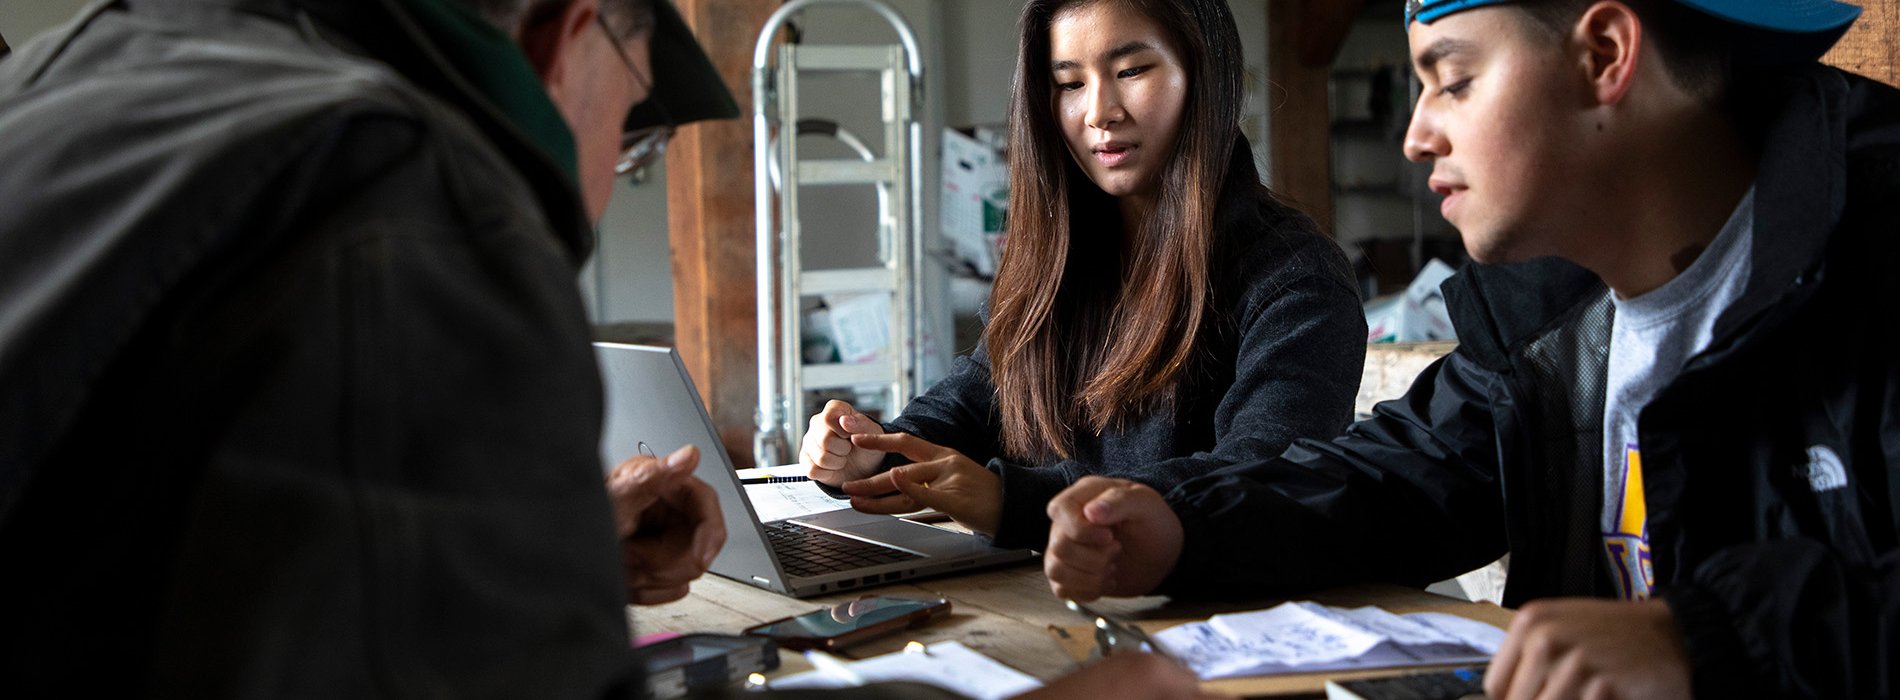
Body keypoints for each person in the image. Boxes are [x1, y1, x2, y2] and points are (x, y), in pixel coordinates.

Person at [0, 0, 1214, 696]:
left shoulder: (85, 67)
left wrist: (535, 544)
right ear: (571, 37)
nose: (600, 193)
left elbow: (158, 546)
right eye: (633, 143)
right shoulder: (394, 188)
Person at [1042, 0, 1899, 698]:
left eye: (1452, 81)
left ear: (1604, 54)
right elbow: (1395, 482)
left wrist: (1706, 638)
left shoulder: (1870, 262)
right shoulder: (1553, 312)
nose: (1415, 137)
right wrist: (1183, 524)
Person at [800, 0, 1367, 552]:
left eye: (1131, 70)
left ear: (1207, 76)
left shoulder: (1297, 280)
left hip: (1209, 623)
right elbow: (976, 401)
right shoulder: (1055, 261)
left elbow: (1256, 480)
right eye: (1070, 83)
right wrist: (871, 450)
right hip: (1053, 605)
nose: (1100, 111)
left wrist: (1014, 501)